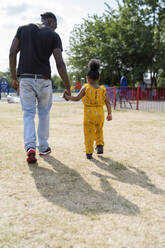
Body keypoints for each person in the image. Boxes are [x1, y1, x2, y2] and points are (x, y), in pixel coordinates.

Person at [9, 12, 71, 163]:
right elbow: (60, 63)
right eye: (55, 25)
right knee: (44, 113)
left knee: (28, 113)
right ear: (51, 21)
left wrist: (13, 77)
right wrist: (68, 87)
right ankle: (43, 147)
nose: (55, 28)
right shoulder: (53, 36)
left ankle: (30, 146)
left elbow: (12, 53)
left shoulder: (22, 29)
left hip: (25, 78)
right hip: (44, 79)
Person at [64, 59, 112, 159]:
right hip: (100, 113)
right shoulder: (102, 89)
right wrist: (109, 113)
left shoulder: (85, 87)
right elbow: (107, 102)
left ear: (87, 78)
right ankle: (99, 145)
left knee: (89, 133)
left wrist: (67, 97)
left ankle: (89, 153)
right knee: (99, 130)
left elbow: (77, 98)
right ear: (98, 78)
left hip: (89, 114)